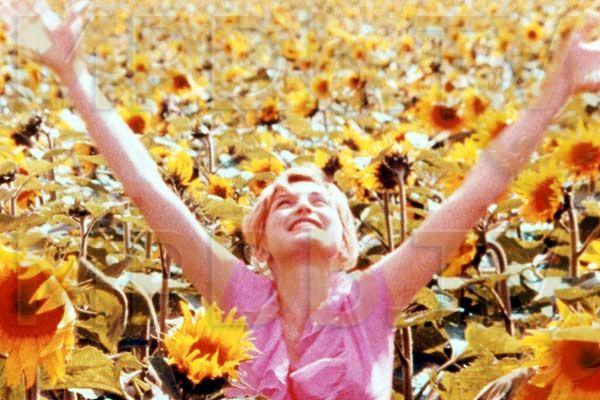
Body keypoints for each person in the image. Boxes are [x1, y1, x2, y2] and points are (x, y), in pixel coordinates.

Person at [2, 1, 600, 398]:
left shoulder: (377, 296)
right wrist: (74, 76)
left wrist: (556, 92)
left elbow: (478, 191)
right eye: (281, 201)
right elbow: (146, 188)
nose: (302, 203)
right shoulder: (235, 294)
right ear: (259, 242)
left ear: (346, 242)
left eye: (321, 200)